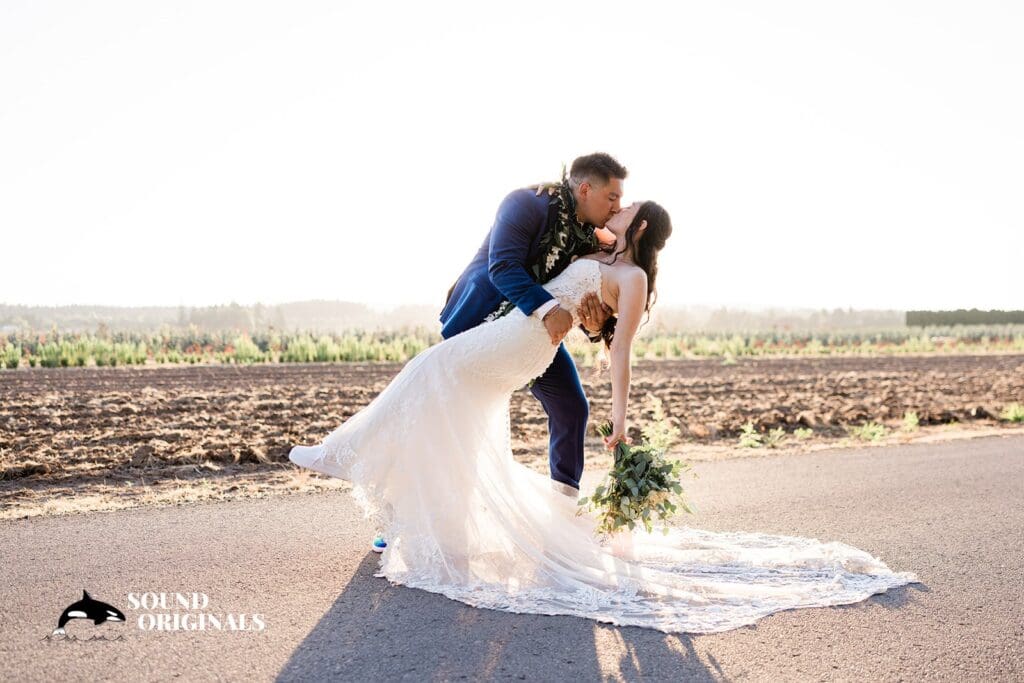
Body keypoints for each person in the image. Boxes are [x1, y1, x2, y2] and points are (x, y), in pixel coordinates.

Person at [289, 199, 919, 634]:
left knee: (430, 370)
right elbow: (559, 284)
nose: (611, 210)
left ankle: (342, 454)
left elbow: (620, 351)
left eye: (623, 205)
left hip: (526, 339)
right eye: (610, 199)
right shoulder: (594, 250)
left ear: (637, 221)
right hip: (519, 326)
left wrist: (619, 422)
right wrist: (578, 306)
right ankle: (414, 511)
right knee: (451, 403)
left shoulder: (635, 275)